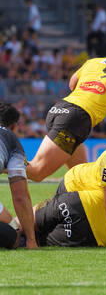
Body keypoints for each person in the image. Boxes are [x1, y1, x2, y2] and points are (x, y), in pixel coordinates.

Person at [27, 35, 106, 182]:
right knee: (36, 172)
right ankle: (3, 158)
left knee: (81, 180)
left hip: (61, 108)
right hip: (77, 119)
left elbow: (72, 84)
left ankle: (55, 205)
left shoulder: (94, 62)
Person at [0, 103, 37, 249]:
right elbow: (20, 196)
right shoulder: (12, 141)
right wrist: (31, 240)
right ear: (15, 126)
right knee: (14, 236)